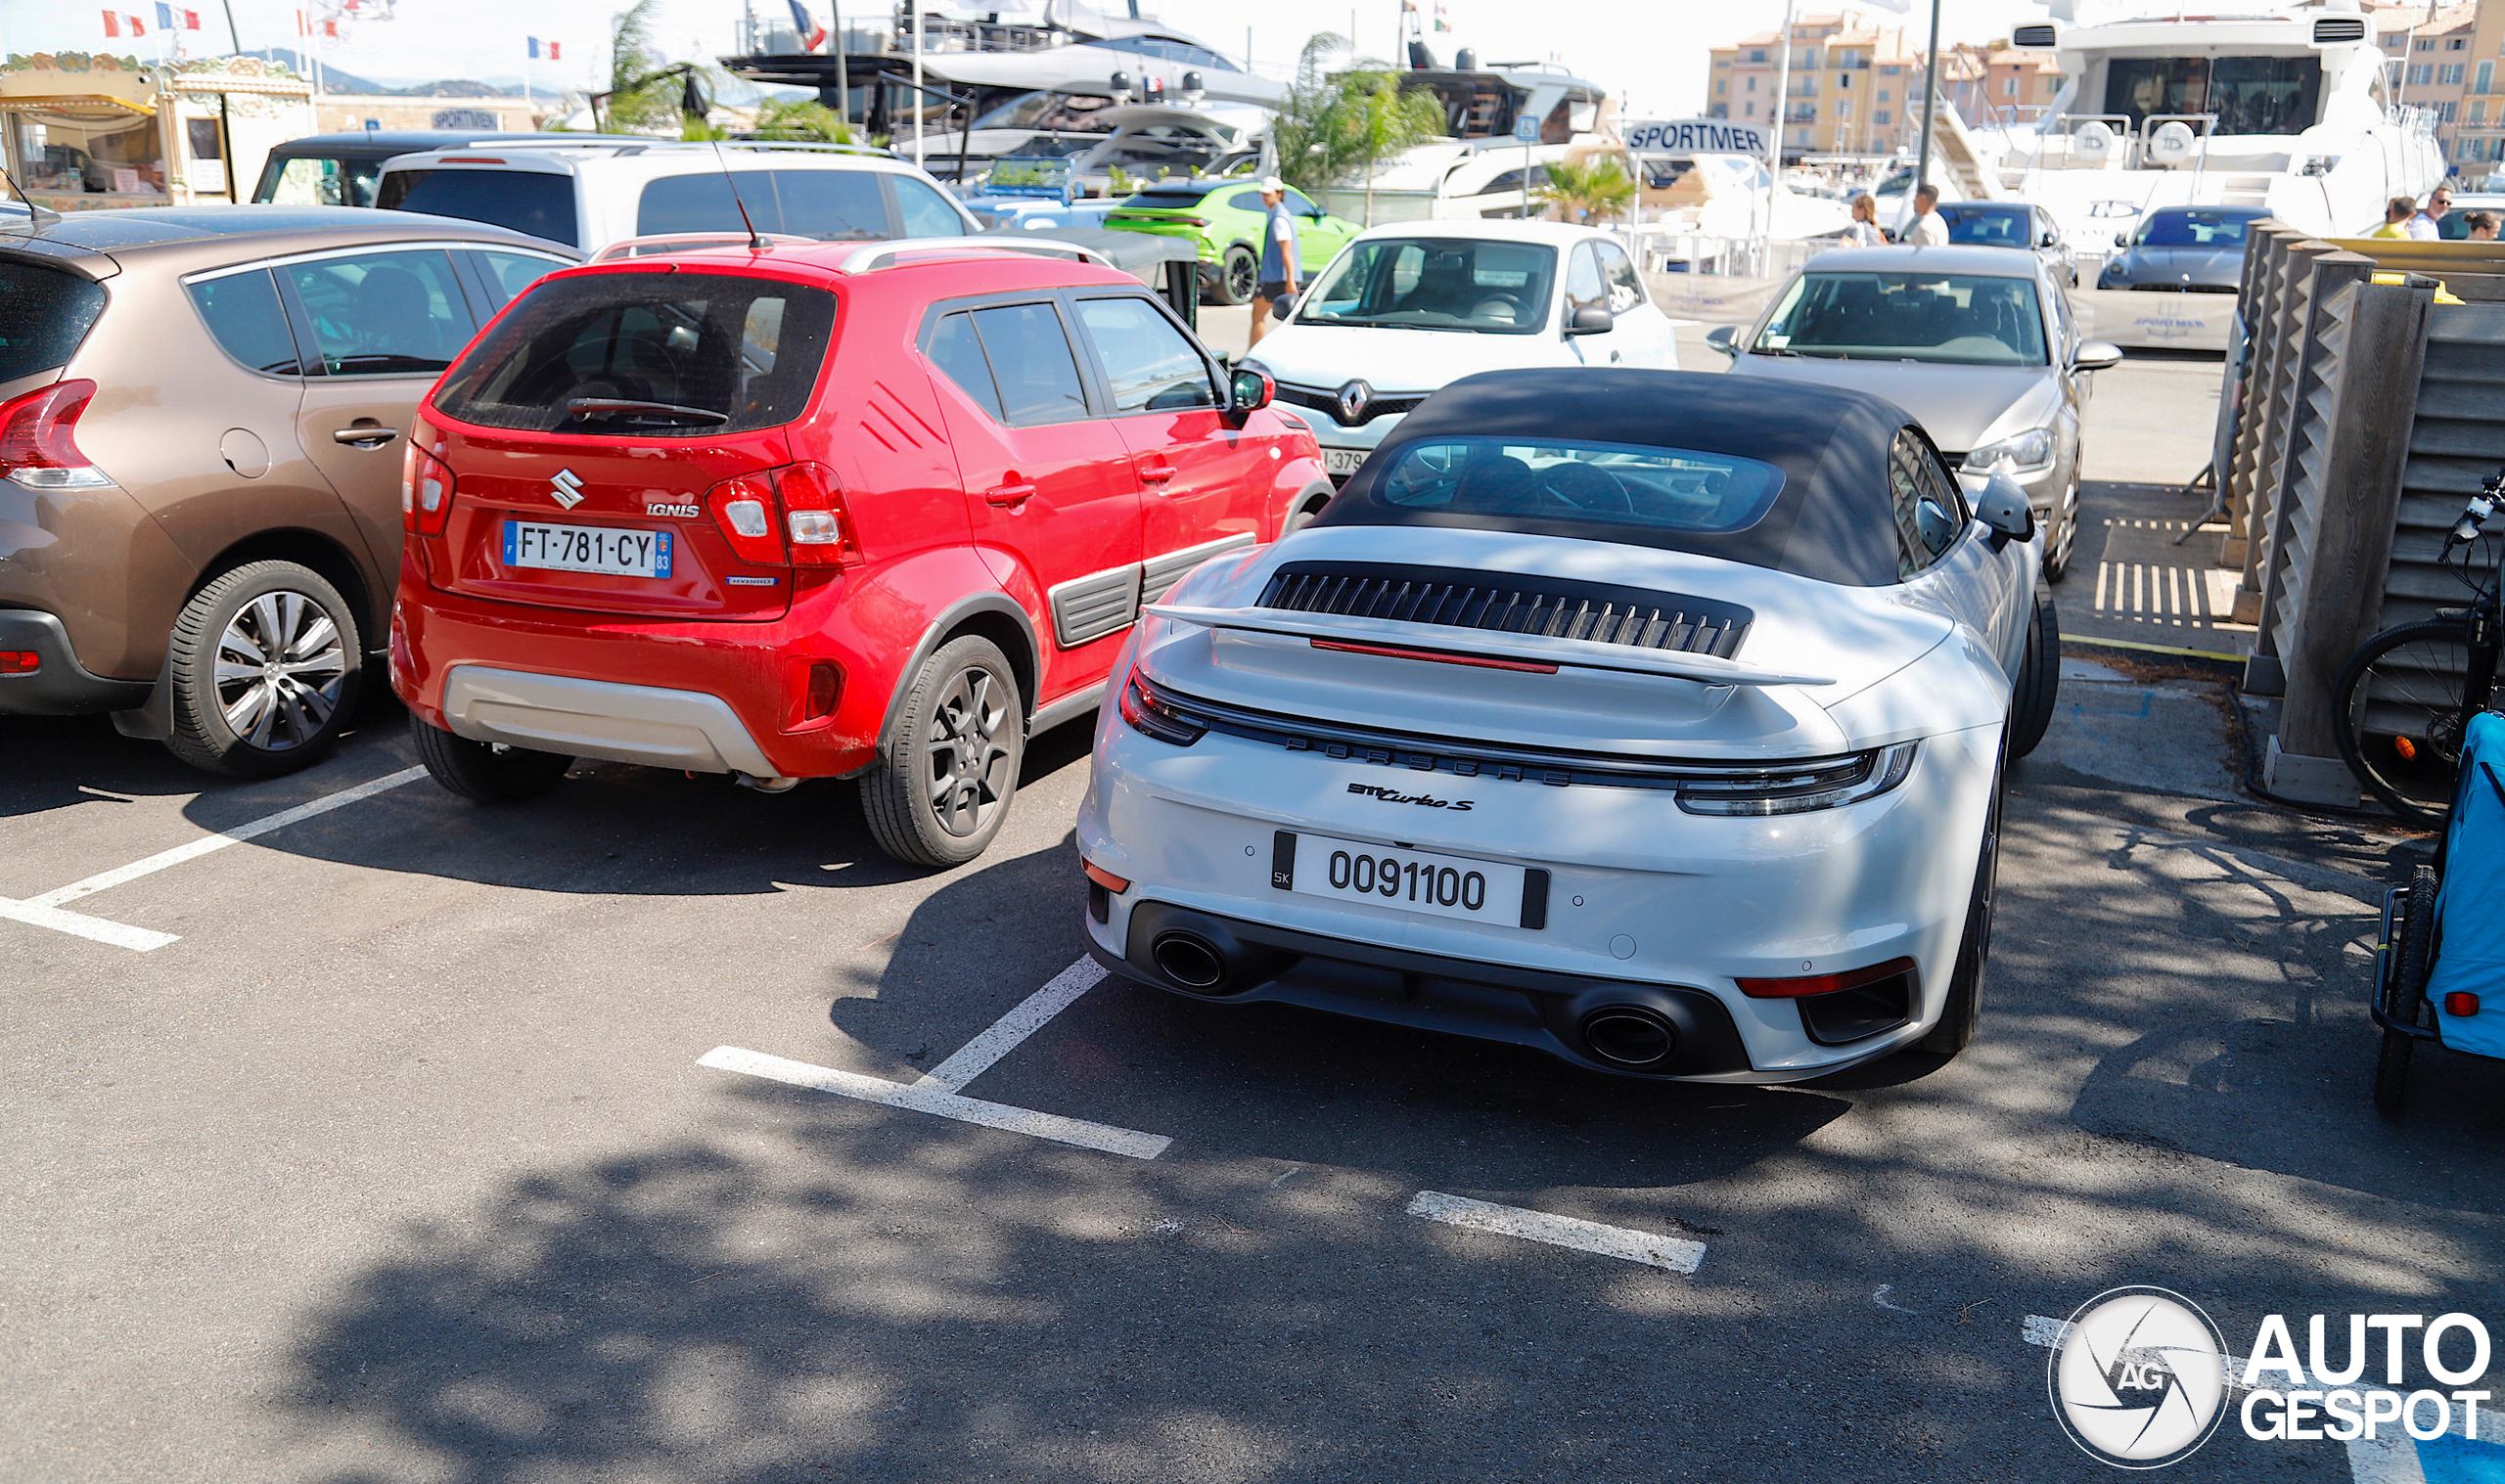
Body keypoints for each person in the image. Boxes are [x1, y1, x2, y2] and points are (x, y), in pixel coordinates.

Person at [1247, 176, 1300, 349]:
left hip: (1278, 278)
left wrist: (1290, 279)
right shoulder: (1278, 215)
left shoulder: (1279, 218)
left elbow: (1287, 250)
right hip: (1279, 277)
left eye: (1268, 194)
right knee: (1285, 319)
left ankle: (1252, 354)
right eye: (1263, 194)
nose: (1264, 197)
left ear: (1279, 194)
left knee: (1258, 315)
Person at [1907, 183, 1950, 247]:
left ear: (1923, 199)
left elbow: (1923, 255)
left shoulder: (1923, 227)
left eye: (1916, 197)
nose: (1914, 201)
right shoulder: (1940, 221)